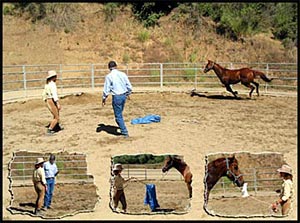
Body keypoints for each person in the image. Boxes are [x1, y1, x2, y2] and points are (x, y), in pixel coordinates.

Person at [102, 61, 132, 138]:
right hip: (123, 95)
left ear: (109, 68)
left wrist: (104, 98)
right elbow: (129, 86)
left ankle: (124, 132)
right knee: (120, 113)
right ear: (116, 66)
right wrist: (128, 93)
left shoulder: (109, 76)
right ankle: (122, 128)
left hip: (117, 97)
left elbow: (106, 89)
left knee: (118, 116)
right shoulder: (123, 74)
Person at [42, 70, 63, 135]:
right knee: (57, 117)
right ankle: (50, 129)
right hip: (51, 100)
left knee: (55, 115)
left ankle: (56, 126)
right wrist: (57, 103)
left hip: (48, 100)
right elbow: (54, 95)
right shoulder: (52, 85)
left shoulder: (47, 84)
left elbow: (43, 94)